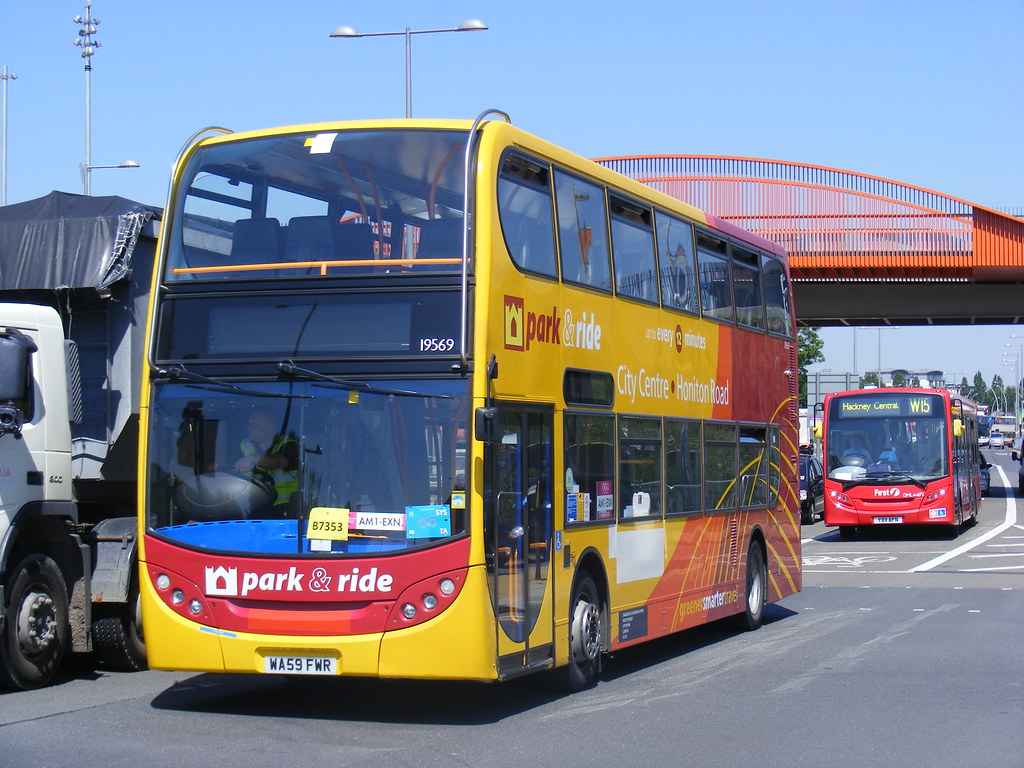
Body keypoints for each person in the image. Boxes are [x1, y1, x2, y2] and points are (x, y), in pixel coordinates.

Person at [234, 409, 299, 507]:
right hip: (252, 504)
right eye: (249, 425)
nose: (249, 428)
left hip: (286, 507)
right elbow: (233, 466)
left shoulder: (289, 445)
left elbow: (278, 461)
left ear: (269, 427)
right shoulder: (246, 445)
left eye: (254, 425)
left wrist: (252, 459)